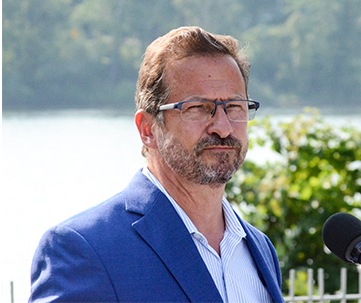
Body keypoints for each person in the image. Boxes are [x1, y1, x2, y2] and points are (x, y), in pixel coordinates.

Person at [29, 26, 284, 303]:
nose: (222, 127)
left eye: (234, 107)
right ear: (148, 129)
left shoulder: (259, 248)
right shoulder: (84, 249)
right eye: (197, 108)